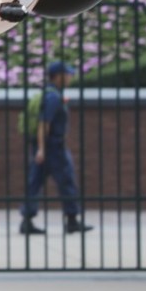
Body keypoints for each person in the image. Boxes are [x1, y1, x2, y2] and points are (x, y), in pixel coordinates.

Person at [19, 62, 93, 235]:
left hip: (46, 146)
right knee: (66, 180)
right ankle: (72, 220)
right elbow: (43, 124)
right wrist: (42, 149)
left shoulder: (51, 94)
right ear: (58, 76)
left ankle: (27, 220)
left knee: (34, 182)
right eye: (67, 74)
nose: (70, 77)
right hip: (52, 147)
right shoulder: (53, 97)